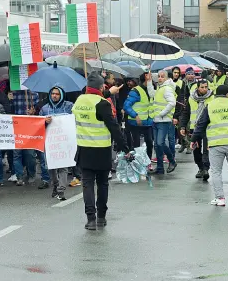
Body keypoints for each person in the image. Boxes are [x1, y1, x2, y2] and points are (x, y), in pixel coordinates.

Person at [72, 72, 130, 230]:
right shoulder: (103, 104)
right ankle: (101, 217)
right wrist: (125, 148)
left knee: (87, 185)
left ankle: (90, 219)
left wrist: (108, 92)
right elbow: (114, 129)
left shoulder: (78, 102)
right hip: (101, 151)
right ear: (100, 87)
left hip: (84, 150)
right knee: (102, 184)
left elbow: (92, 98)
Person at [191, 85, 228, 206]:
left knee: (216, 171)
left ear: (216, 94)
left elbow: (201, 124)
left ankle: (220, 198)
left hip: (216, 144)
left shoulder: (210, 105)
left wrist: (194, 139)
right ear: (227, 94)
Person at [40, 86, 73, 200]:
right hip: (50, 143)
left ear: (61, 95)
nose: (54, 95)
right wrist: (44, 121)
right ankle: (55, 185)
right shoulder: (44, 109)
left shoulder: (69, 106)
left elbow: (74, 119)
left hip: (64, 141)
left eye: (57, 94)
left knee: (63, 167)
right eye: (53, 93)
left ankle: (61, 190)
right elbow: (38, 125)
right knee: (51, 167)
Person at [180, 79, 214, 181]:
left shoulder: (212, 97)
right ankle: (200, 168)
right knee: (196, 150)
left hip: (208, 128)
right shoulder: (191, 98)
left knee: (206, 150)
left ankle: (206, 169)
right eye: (202, 87)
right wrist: (182, 127)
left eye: (206, 87)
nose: (204, 89)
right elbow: (186, 113)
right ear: (197, 88)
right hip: (194, 128)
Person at [147, 70, 177, 174]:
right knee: (157, 145)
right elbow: (151, 94)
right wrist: (149, 81)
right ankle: (160, 168)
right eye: (159, 76)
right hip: (157, 120)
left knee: (160, 143)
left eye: (162, 76)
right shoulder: (160, 88)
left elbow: (172, 103)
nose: (160, 78)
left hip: (163, 120)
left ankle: (172, 161)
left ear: (167, 78)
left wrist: (161, 113)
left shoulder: (167, 88)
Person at [123, 72, 154, 170]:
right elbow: (126, 106)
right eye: (150, 77)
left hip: (148, 122)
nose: (152, 79)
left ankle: (148, 162)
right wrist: (135, 115)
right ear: (145, 78)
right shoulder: (135, 91)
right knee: (136, 144)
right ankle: (135, 163)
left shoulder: (151, 89)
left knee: (149, 142)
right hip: (135, 122)